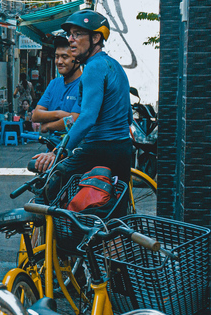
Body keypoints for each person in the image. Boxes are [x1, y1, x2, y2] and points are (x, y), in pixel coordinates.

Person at [32, 10, 133, 188]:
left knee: (49, 188)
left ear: (95, 38)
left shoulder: (93, 68)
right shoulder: (115, 66)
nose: (71, 39)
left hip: (99, 149)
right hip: (123, 150)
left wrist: (57, 152)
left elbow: (86, 118)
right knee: (112, 208)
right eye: (70, 34)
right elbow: (129, 117)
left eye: (77, 34)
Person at [30, 35, 82, 139]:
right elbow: (35, 115)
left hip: (73, 149)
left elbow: (75, 122)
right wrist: (59, 114)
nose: (59, 61)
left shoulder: (85, 85)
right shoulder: (54, 84)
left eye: (64, 57)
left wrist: (48, 126)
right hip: (51, 148)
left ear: (77, 60)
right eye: (57, 56)